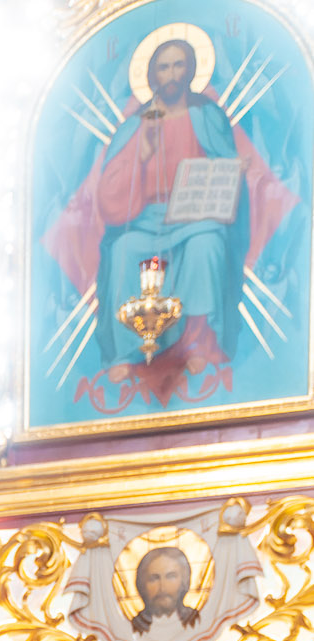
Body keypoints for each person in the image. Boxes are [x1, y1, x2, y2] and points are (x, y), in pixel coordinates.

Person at [42, 34, 293, 401]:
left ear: (191, 69)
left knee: (207, 244)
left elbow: (226, 168)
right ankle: (126, 352)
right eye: (163, 67)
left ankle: (198, 342)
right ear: (151, 74)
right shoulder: (135, 125)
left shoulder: (207, 116)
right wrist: (142, 155)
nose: (172, 74)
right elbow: (109, 195)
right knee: (124, 250)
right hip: (144, 218)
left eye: (178, 65)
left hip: (196, 216)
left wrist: (233, 171)